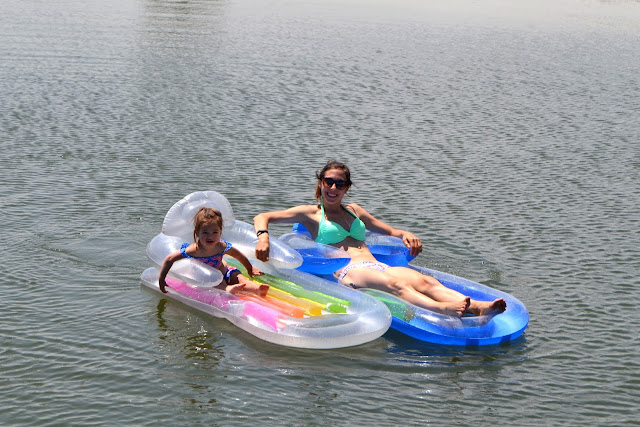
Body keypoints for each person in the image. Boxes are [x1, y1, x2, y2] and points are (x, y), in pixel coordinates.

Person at [254, 160, 506, 317]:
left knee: (425, 281)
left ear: (346, 188)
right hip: (348, 271)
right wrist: (263, 238)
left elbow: (391, 231)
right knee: (397, 285)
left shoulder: (355, 211)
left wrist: (406, 234)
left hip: (377, 266)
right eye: (328, 182)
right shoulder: (310, 214)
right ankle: (442, 309)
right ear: (320, 183)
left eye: (339, 184)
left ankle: (478, 307)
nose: (333, 188)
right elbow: (262, 216)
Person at [159, 207, 269, 297]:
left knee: (239, 277)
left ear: (220, 232)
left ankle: (257, 289)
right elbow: (170, 259)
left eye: (215, 232)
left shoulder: (221, 246)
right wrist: (162, 278)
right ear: (197, 233)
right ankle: (227, 288)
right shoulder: (194, 250)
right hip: (207, 279)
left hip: (224, 271)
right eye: (205, 232)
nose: (210, 236)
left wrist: (249, 268)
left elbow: (238, 255)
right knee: (216, 283)